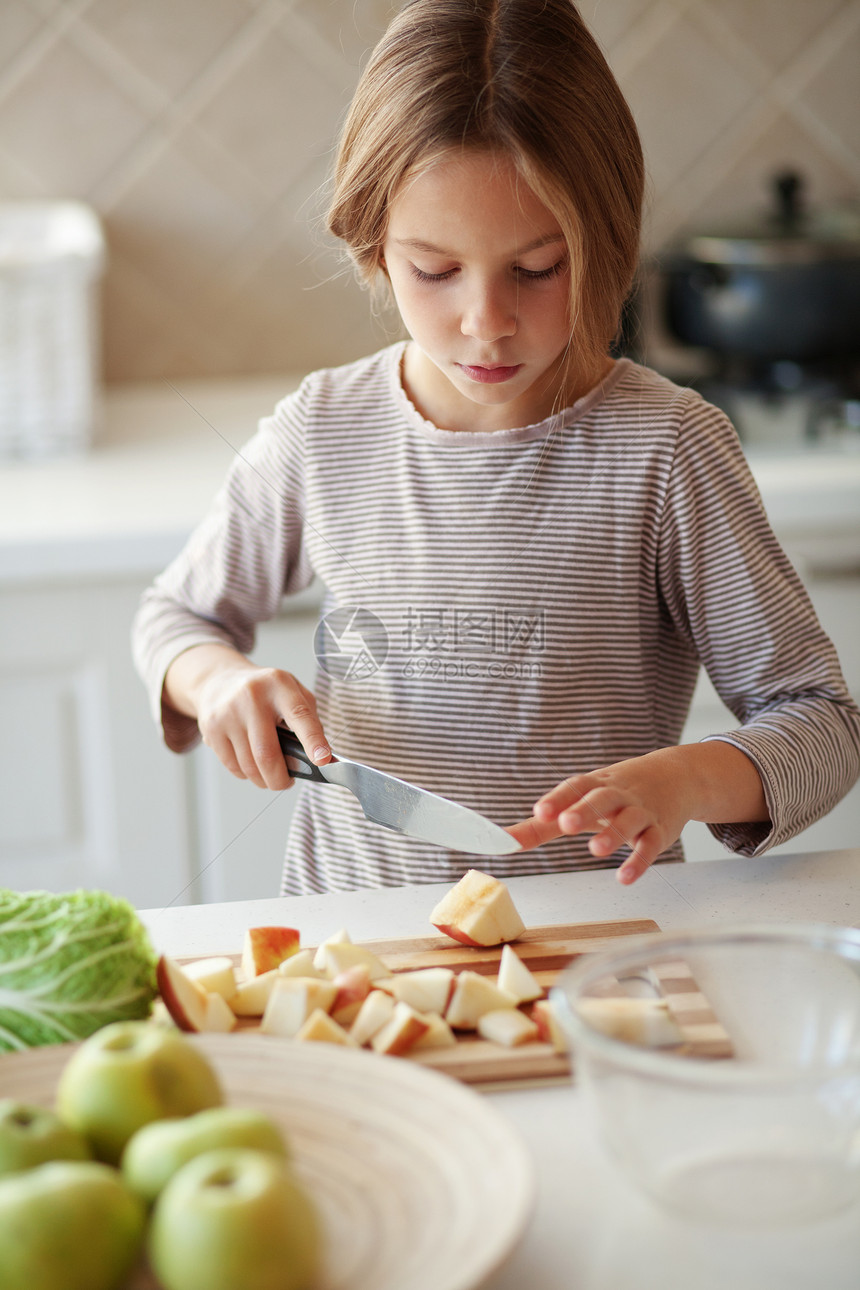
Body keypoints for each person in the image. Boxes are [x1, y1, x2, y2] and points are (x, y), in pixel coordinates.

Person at [132, 0, 860, 897]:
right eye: (434, 270)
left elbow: (823, 724)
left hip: (596, 952)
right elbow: (176, 622)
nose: (486, 322)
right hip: (359, 944)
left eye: (538, 267)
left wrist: (685, 780)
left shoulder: (666, 451)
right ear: (371, 242)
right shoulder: (322, 430)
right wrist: (214, 684)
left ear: (609, 239)